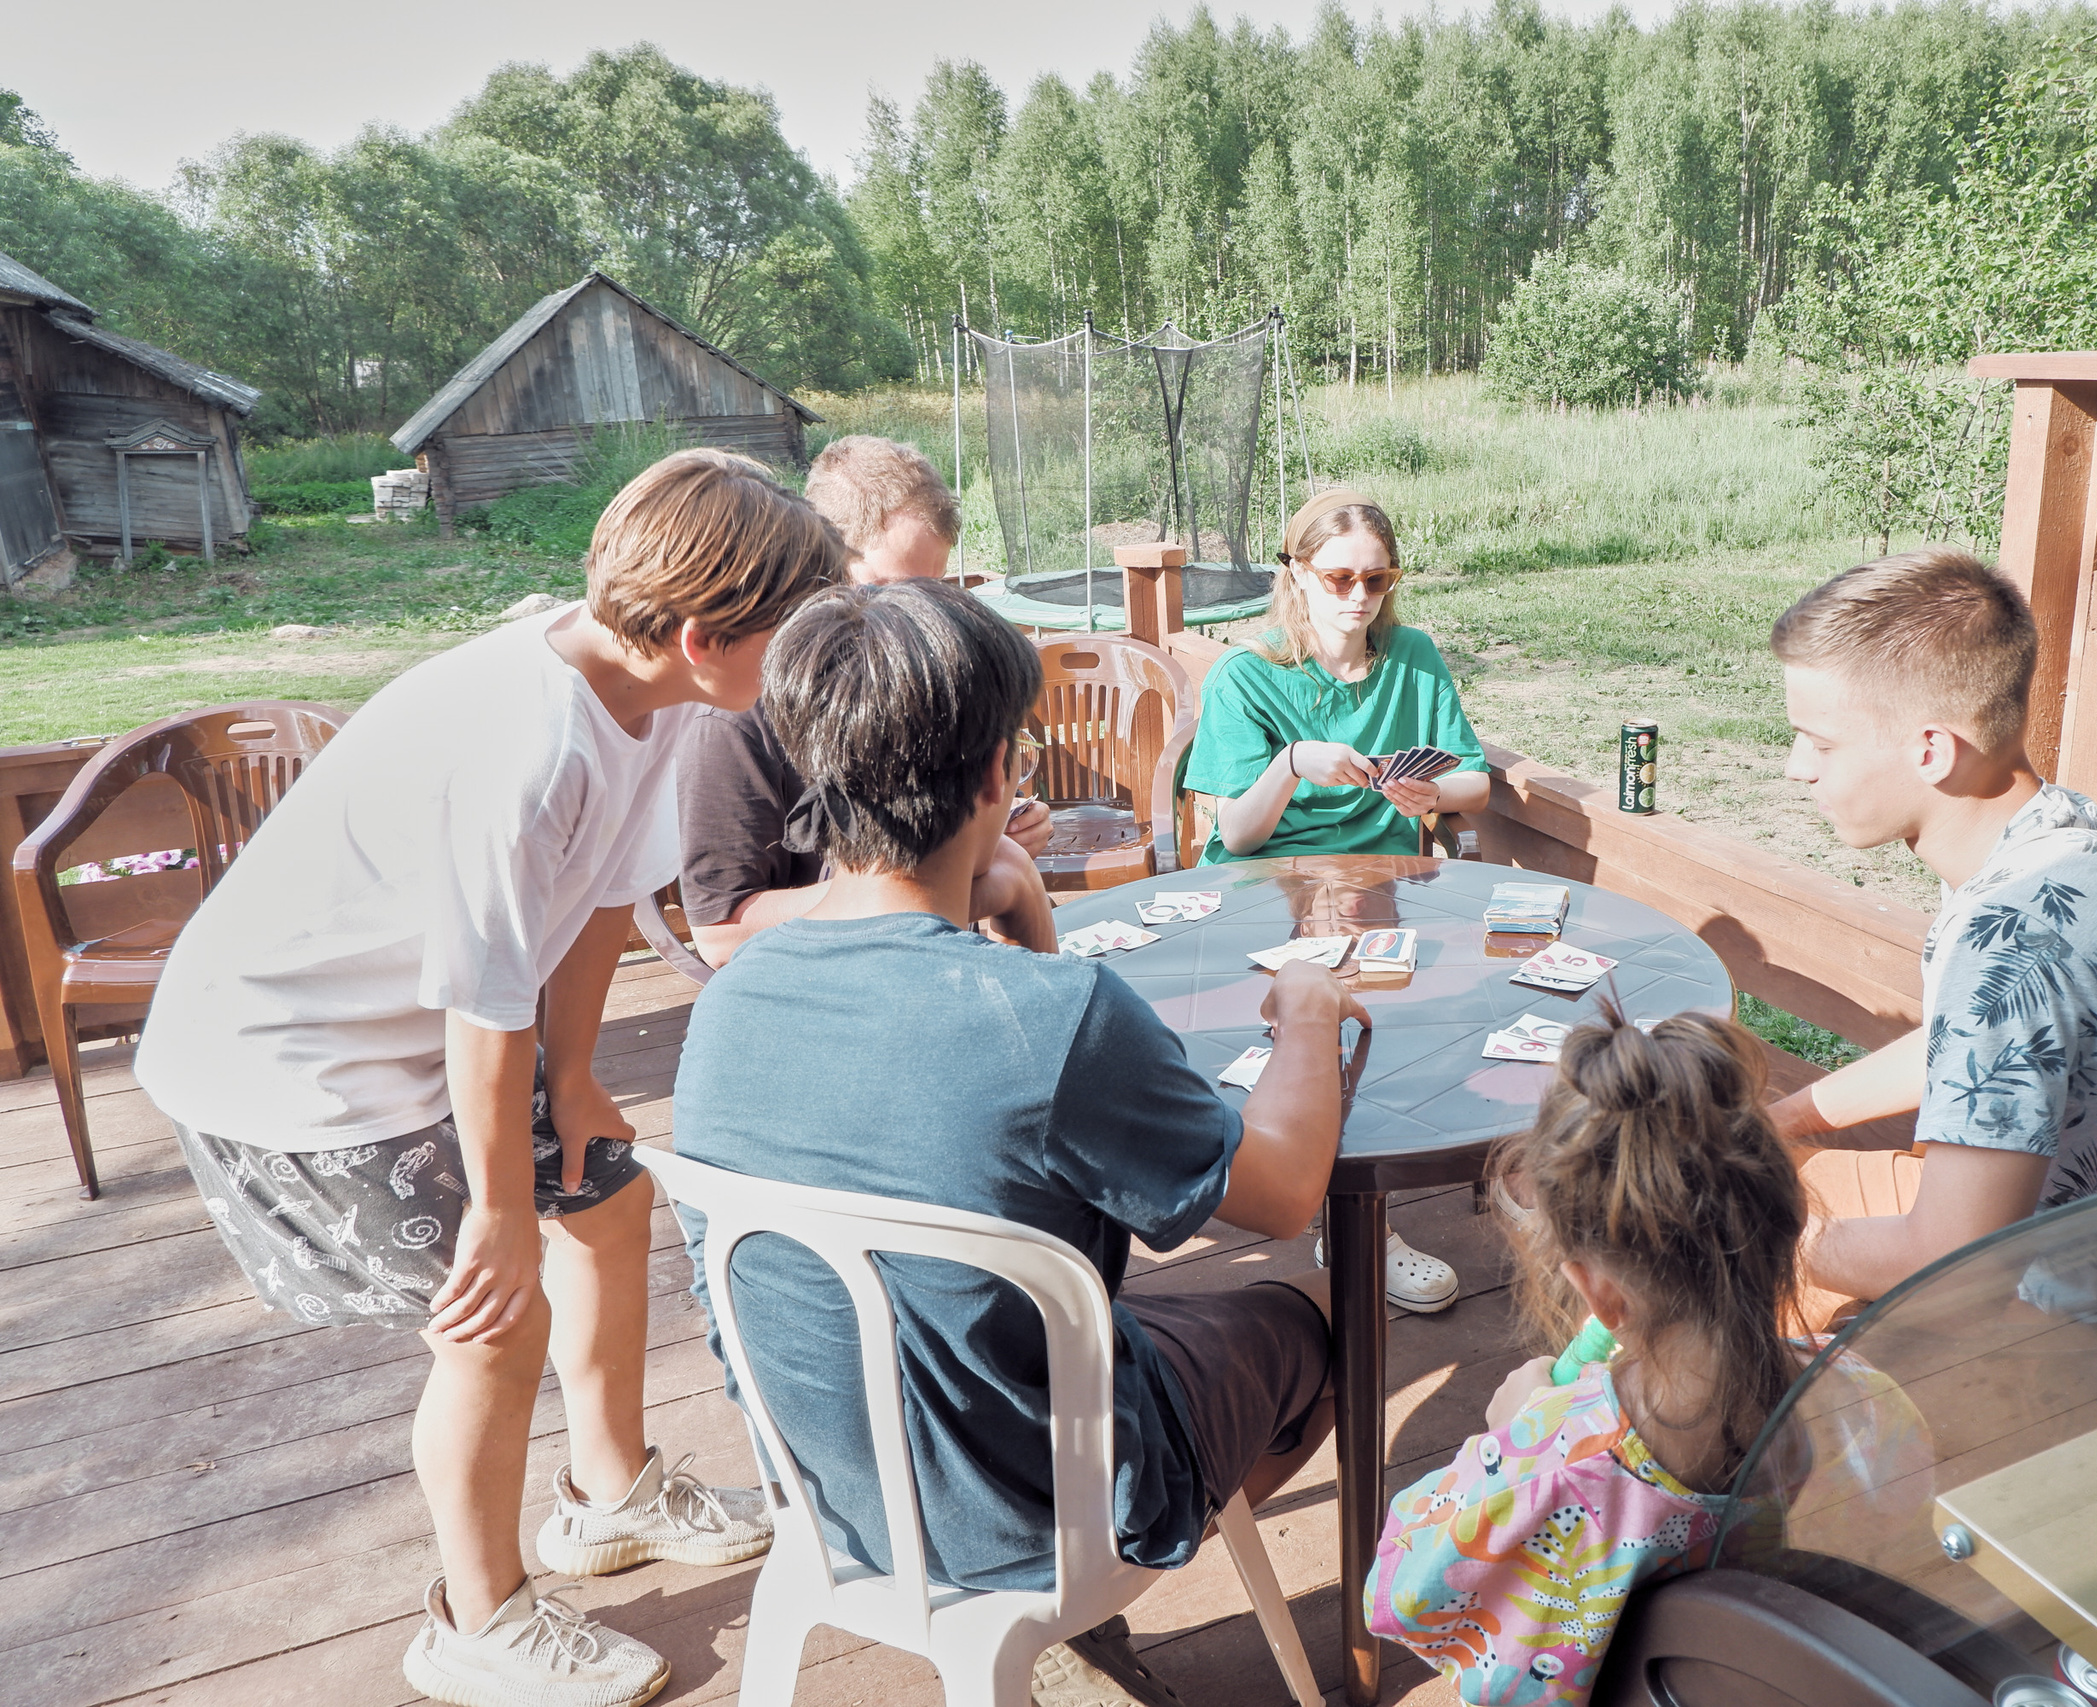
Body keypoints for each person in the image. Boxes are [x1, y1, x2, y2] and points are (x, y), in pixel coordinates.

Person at [136, 449, 830, 1707]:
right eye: (788, 636)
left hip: (433, 1022)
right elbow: (481, 994)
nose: (796, 665)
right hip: (293, 1056)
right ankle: (478, 1618)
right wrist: (502, 1214)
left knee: (609, 1199)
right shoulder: (524, 745)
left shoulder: (665, 702)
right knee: (493, 1317)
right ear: (698, 632)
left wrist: (576, 1081)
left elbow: (596, 907)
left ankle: (610, 1498)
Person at [674, 579, 1371, 1705]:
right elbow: (1286, 1192)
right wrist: (1305, 1008)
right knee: (1335, 1315)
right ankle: (1104, 1586)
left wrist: (1022, 919)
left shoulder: (729, 997)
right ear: (999, 774)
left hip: (833, 1483)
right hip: (1036, 1508)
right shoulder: (1056, 1020)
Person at [1763, 549, 2097, 1323]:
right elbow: (1971, 1042)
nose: (1797, 768)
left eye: (1818, 742)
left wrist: (1758, 1242)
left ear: (1931, 750)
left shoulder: (2011, 929)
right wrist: (1788, 1118)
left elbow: (1946, 1263)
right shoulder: (2064, 834)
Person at [1366, 1005, 1805, 1706]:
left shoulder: (1564, 1459)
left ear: (1597, 1291)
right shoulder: (1866, 1398)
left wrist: (1508, 1434)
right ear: (1785, 1221)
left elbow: (1403, 1592)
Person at [1184, 488, 1490, 1312]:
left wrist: (1433, 795)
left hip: (1385, 890)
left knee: (1429, 1014)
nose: (1359, 598)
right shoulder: (1248, 676)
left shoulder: (1412, 656)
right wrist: (1289, 765)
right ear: (1296, 574)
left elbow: (1476, 779)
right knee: (1325, 1028)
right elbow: (1238, 837)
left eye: (1377, 579)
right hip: (1265, 896)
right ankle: (1355, 1218)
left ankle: (1363, 1203)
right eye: (1339, 577)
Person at [677, 433, 1052, 968]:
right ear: (820, 566)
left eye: (937, 590)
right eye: (888, 588)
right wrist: (923, 890)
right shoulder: (735, 719)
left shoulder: (933, 673)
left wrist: (993, 832)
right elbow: (720, 932)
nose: (919, 616)